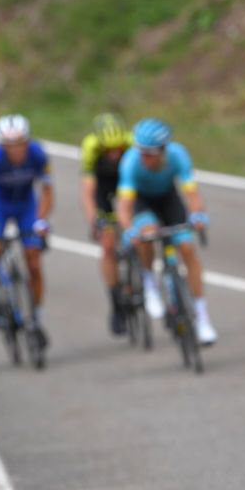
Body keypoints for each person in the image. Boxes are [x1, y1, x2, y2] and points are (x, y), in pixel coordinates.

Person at [116, 118, 216, 345]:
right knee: (147, 233)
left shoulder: (178, 155)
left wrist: (198, 214)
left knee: (188, 248)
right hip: (142, 203)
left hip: (169, 199)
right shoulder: (131, 162)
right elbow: (124, 206)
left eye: (149, 153)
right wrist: (129, 228)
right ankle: (149, 281)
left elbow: (192, 194)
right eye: (140, 151)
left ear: (162, 151)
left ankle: (202, 318)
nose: (143, 157)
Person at [0, 114, 52, 346]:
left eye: (20, 144)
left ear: (27, 141)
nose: (16, 150)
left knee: (34, 261)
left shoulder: (38, 154)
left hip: (26, 204)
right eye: (10, 145)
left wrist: (41, 220)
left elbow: (47, 191)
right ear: (2, 145)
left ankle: (36, 318)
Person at [79, 113, 134, 335]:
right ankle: (116, 303)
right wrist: (95, 219)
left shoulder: (131, 145)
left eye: (118, 149)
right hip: (103, 186)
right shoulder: (91, 148)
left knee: (136, 235)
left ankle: (135, 286)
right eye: (108, 150)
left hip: (127, 184)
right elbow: (88, 191)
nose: (114, 154)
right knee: (108, 245)